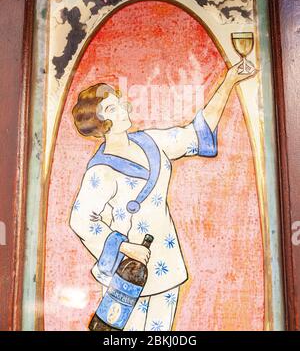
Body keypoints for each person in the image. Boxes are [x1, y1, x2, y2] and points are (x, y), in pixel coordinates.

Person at [70, 61, 256, 331]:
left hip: (165, 265)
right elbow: (81, 220)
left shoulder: (151, 142)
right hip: (127, 274)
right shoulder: (101, 170)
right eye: (111, 108)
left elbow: (197, 133)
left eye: (119, 103)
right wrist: (125, 247)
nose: (123, 109)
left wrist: (228, 81)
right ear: (99, 123)